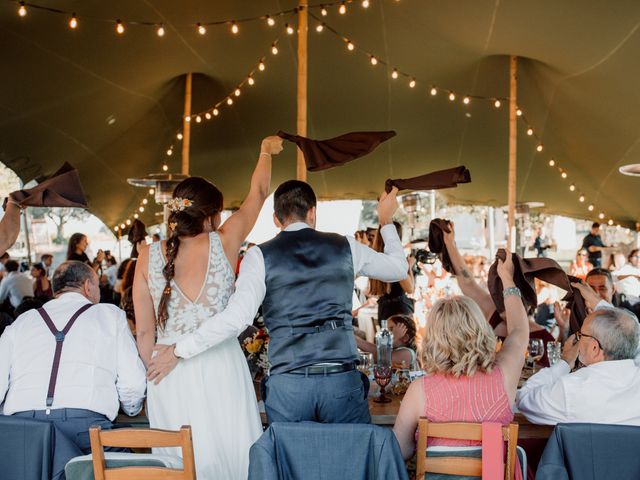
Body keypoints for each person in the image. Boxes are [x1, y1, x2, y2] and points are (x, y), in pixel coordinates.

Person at [148, 179, 408, 427]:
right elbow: (398, 268)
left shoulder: (258, 256)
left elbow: (236, 319)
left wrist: (178, 349)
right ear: (313, 213)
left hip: (289, 385)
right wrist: (385, 221)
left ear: (275, 219)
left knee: (288, 465)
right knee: (350, 463)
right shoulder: (346, 247)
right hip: (340, 381)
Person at [133, 136, 283, 480]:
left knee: (179, 466)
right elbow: (258, 193)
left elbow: (143, 331)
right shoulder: (226, 240)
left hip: (166, 373)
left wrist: (155, 370)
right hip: (220, 365)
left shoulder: (146, 255)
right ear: (213, 215)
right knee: (232, 456)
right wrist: (264, 150)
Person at [0, 261, 146, 472]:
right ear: (88, 286)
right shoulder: (110, 315)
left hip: (25, 437)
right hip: (87, 431)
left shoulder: (22, 322)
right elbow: (133, 384)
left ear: (54, 289)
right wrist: (131, 409)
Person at [393, 251, 529, 463]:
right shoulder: (504, 375)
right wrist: (507, 278)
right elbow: (520, 330)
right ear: (481, 330)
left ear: (433, 338)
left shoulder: (419, 390)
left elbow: (400, 451)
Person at [443, 222, 555, 362]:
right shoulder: (493, 313)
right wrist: (450, 244)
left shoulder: (543, 339)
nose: (501, 302)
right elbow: (468, 283)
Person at [517, 307, 640, 425]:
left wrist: (565, 362)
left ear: (594, 348)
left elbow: (524, 399)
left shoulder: (571, 389)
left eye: (581, 335)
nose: (578, 340)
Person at [368, 221, 415, 322]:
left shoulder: (375, 257)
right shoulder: (395, 260)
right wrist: (409, 266)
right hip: (398, 313)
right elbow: (410, 288)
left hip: (384, 311)